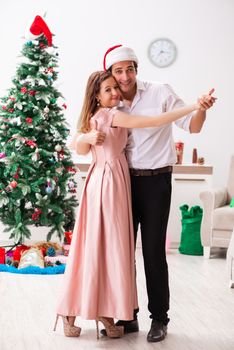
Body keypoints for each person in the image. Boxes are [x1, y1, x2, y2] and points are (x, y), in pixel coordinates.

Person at [78, 45, 216, 343]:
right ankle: (127, 315)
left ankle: (159, 318)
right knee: (121, 252)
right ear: (109, 75)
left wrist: (200, 108)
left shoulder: (160, 92)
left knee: (153, 252)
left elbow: (192, 128)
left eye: (129, 69)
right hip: (123, 182)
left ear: (136, 69)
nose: (124, 77)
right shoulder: (110, 103)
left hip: (156, 182)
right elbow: (84, 135)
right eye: (118, 72)